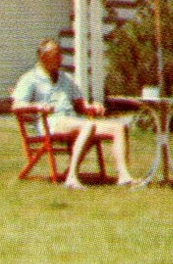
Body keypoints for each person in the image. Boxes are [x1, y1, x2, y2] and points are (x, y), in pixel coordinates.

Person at [12, 38, 137, 188]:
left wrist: (92, 107)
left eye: (61, 54)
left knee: (119, 127)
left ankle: (123, 176)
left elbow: (81, 105)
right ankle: (71, 177)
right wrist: (38, 106)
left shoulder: (66, 78)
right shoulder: (30, 78)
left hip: (72, 120)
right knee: (88, 126)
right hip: (51, 122)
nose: (61, 59)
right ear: (43, 57)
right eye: (56, 55)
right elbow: (16, 105)